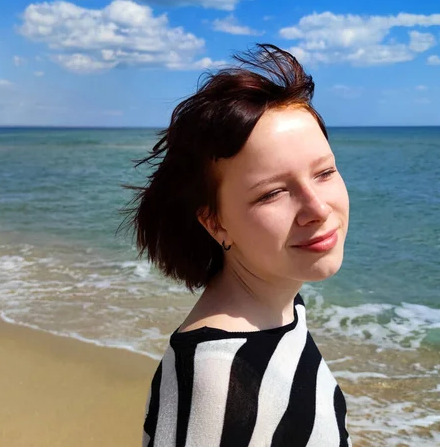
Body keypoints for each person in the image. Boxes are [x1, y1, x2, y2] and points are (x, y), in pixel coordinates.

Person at [123, 43, 352, 447]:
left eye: (325, 172)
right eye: (272, 193)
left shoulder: (280, 308)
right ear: (215, 222)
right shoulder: (219, 377)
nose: (317, 208)